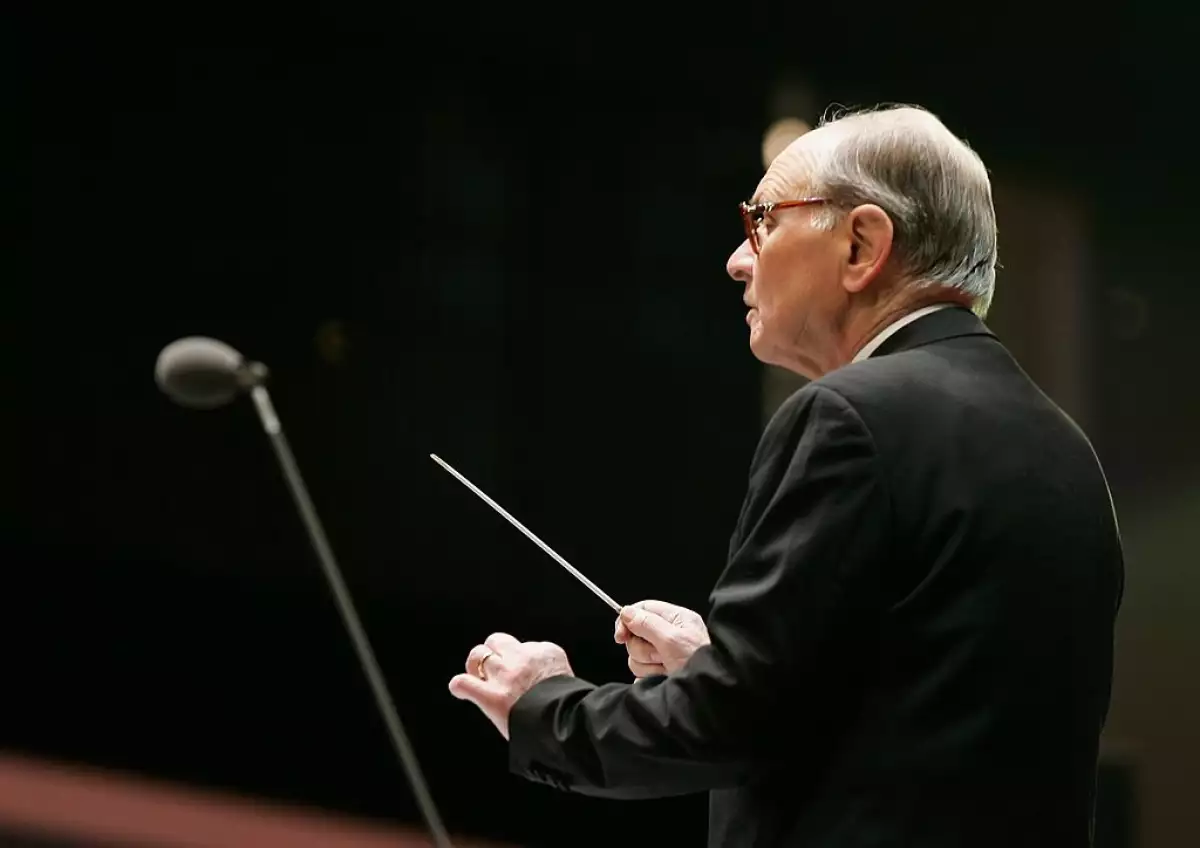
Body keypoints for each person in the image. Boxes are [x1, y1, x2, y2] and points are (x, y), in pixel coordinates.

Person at [447, 104, 1124, 847]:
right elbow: (927, 717)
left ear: (862, 244)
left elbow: (728, 725)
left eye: (763, 220)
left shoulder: (847, 417)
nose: (739, 258)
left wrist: (542, 704)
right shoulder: (1069, 455)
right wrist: (720, 661)